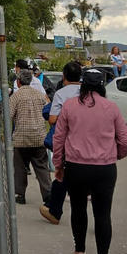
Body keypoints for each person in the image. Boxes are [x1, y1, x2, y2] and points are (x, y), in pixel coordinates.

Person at [53, 68, 127, 254]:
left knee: (78, 210)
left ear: (83, 84)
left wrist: (58, 164)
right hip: (104, 168)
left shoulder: (70, 106)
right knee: (103, 214)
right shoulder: (111, 107)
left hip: (76, 166)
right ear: (102, 85)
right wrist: (116, 155)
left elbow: (59, 138)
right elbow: (125, 140)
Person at [40, 61, 83, 225]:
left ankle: (54, 210)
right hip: (86, 139)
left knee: (62, 174)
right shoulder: (87, 91)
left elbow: (52, 119)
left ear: (64, 76)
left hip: (67, 140)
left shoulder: (61, 93)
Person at [10, 69, 51, 206]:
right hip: (39, 136)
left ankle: (20, 194)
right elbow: (48, 112)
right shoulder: (40, 95)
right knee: (42, 167)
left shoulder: (16, 96)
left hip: (21, 138)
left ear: (18, 81)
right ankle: (48, 194)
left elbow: (9, 115)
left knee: (20, 167)